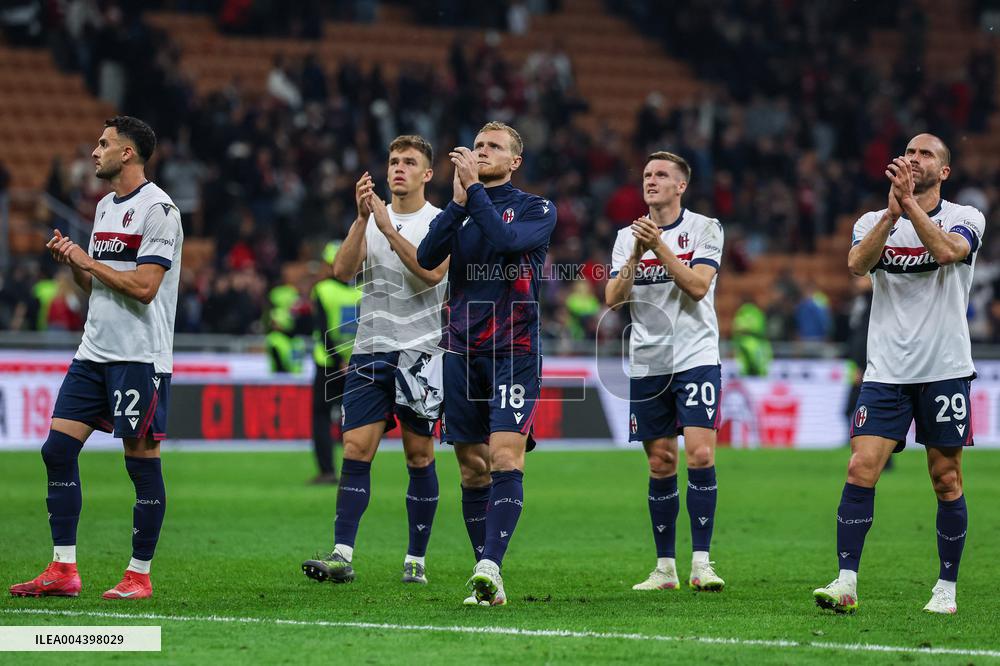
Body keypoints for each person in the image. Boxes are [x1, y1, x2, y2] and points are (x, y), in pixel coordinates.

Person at [9, 116, 183, 600]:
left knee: (140, 463)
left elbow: (146, 288)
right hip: (94, 351)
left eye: (104, 144)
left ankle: (139, 575)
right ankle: (64, 569)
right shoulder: (106, 205)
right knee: (57, 451)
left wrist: (89, 262)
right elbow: (100, 282)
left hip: (139, 357)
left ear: (128, 153)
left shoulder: (160, 210)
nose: (94, 151)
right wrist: (76, 264)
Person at [813, 134, 984, 615]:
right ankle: (846, 582)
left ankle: (946, 587)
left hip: (945, 369)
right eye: (909, 153)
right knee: (859, 467)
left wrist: (911, 206)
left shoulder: (966, 217)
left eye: (925, 154)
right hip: (886, 371)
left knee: (945, 478)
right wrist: (893, 214)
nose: (913, 159)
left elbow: (949, 252)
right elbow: (855, 264)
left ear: (944, 172)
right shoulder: (873, 221)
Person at [417, 121, 557, 607]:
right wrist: (456, 205)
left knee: (503, 457)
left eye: (492, 147)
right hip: (460, 350)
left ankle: (490, 565)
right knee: (471, 470)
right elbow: (426, 254)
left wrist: (471, 191)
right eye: (477, 146)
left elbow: (505, 241)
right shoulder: (463, 208)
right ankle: (488, 581)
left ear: (514, 161)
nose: (481, 152)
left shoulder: (537, 208)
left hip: (513, 350)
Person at [302, 135, 448, 585]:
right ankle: (342, 554)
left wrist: (386, 226)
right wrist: (362, 218)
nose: (398, 168)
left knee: (419, 455)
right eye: (392, 161)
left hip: (420, 352)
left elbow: (431, 275)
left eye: (409, 162)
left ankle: (416, 560)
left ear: (427, 174)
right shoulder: (370, 220)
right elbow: (342, 272)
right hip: (368, 350)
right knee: (355, 449)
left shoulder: (441, 222)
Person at [605, 151, 726, 594]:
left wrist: (659, 246)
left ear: (681, 186)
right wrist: (637, 253)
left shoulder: (705, 229)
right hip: (648, 363)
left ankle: (702, 562)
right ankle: (665, 568)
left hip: (694, 357)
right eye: (646, 174)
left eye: (661, 175)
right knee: (660, 462)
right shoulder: (625, 237)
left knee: (699, 455)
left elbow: (697, 287)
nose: (651, 181)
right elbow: (614, 300)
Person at [308, 241, 361, 485]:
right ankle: (356, 470)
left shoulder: (323, 289)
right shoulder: (365, 290)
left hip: (329, 364)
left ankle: (327, 470)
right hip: (358, 364)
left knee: (320, 417)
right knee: (354, 420)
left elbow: (322, 330)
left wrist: (338, 360)